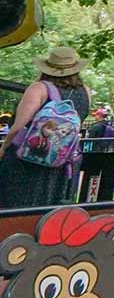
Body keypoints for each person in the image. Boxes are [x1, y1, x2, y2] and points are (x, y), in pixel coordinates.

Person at [0, 46, 90, 208]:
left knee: (15, 207)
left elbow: (19, 126)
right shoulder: (85, 92)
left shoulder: (39, 88)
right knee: (50, 211)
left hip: (27, 161)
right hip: (62, 163)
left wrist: (4, 147)